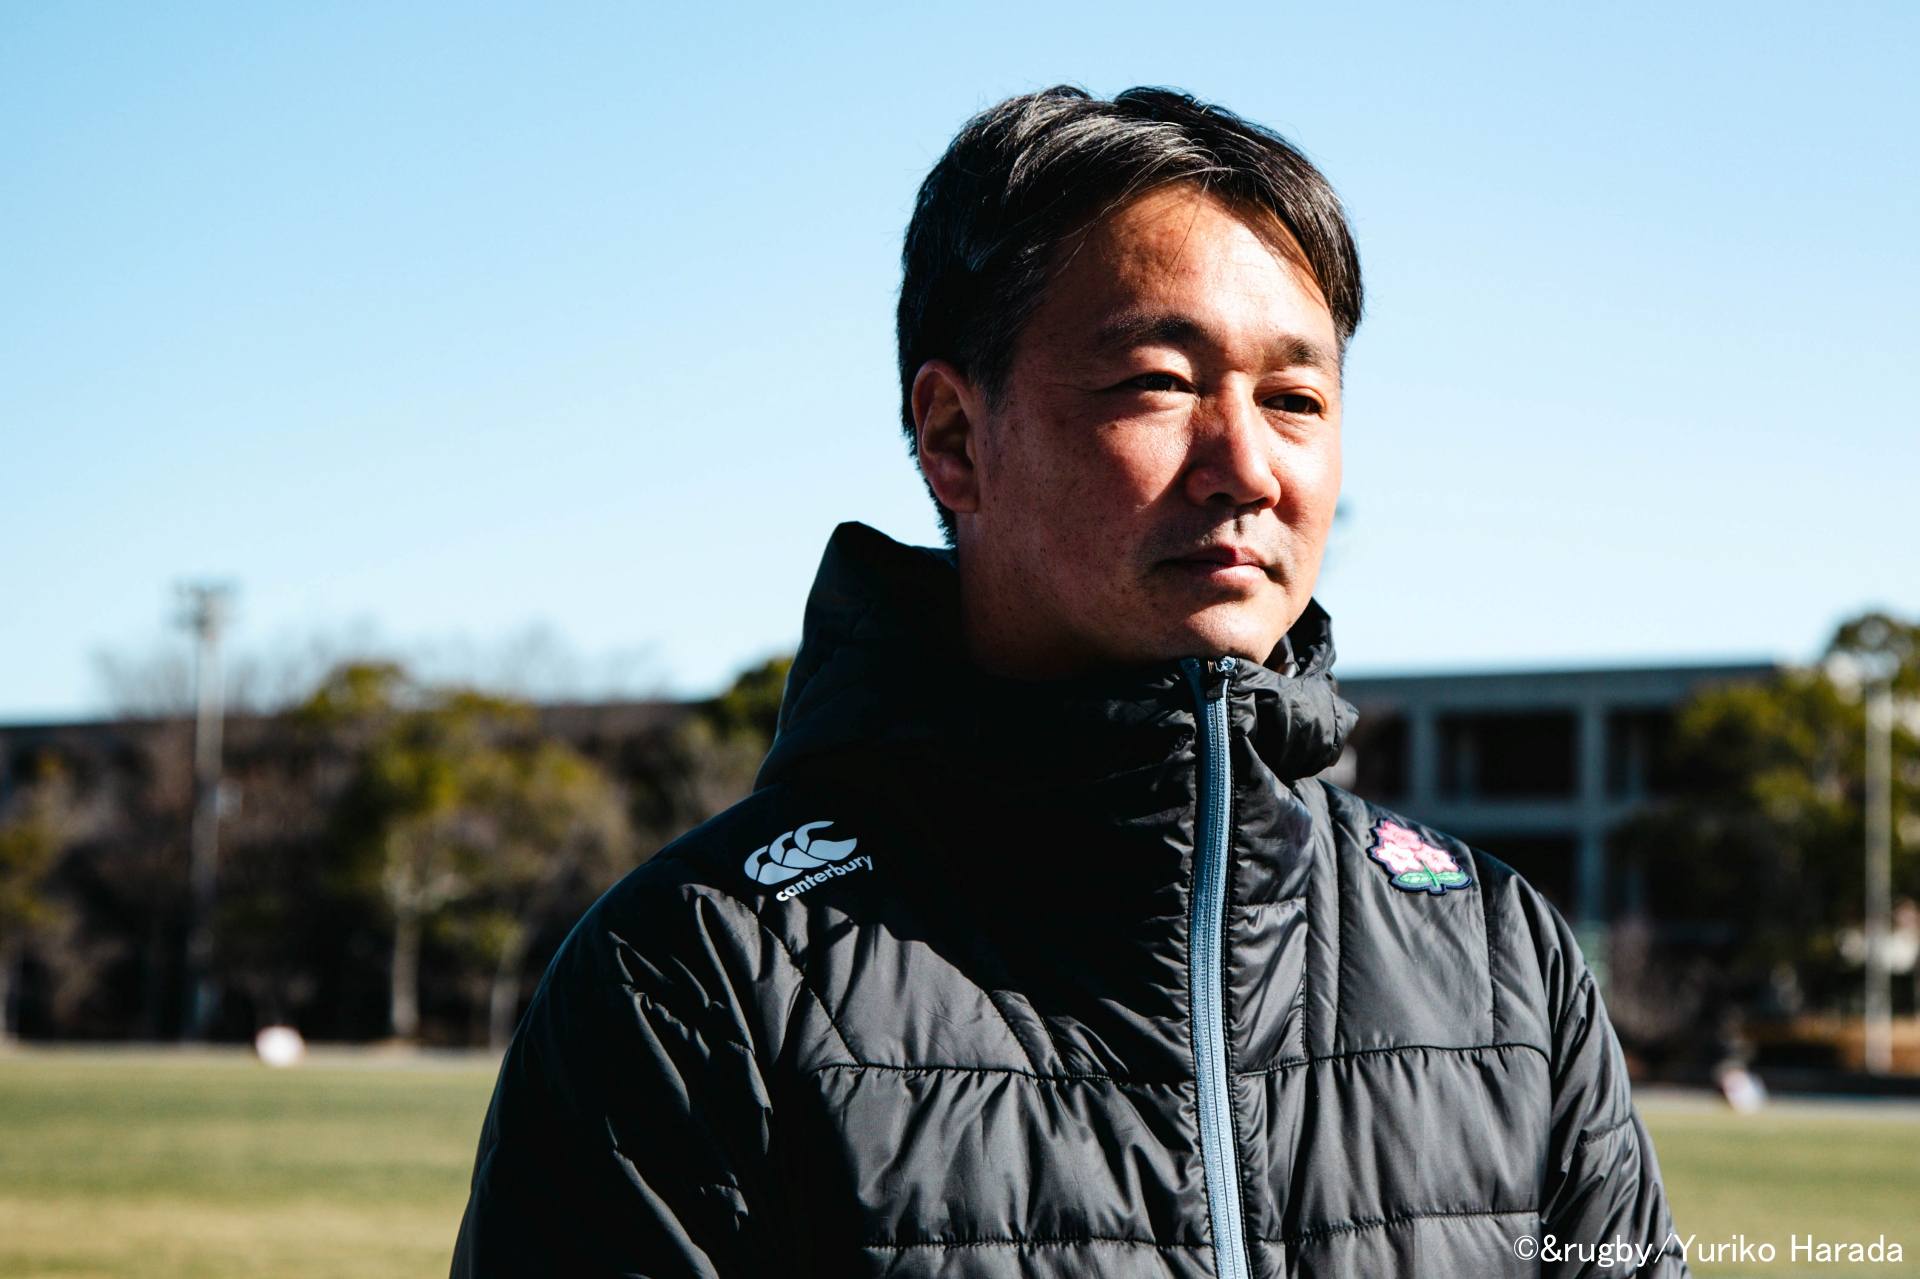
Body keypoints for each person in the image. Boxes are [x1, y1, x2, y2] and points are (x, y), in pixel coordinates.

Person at [452, 86, 1686, 1278]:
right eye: (1158, 383)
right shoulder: (698, 972)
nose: (1248, 466)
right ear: (953, 437)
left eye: (1296, 398)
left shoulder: (1500, 960)